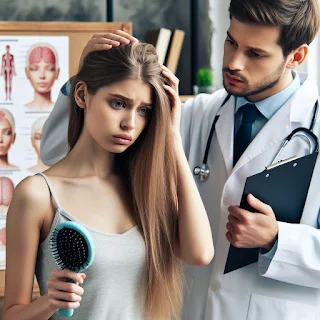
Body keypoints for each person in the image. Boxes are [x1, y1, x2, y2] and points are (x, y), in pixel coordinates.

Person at [39, 0, 320, 319]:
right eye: (231, 42)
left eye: (255, 54)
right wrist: (84, 75)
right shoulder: (196, 114)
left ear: (296, 57)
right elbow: (62, 158)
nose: (233, 63)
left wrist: (277, 240)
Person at [2, 38, 214, 320]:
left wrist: (172, 137)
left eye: (143, 111)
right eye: (118, 103)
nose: (130, 123)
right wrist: (49, 302)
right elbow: (12, 314)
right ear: (81, 95)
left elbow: (199, 254)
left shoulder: (144, 190)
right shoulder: (37, 195)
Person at [24, 43, 60, 112]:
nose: (42, 76)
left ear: (57, 73)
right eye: (34, 69)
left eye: (49, 69)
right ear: (27, 72)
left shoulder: (60, 111)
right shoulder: (22, 109)